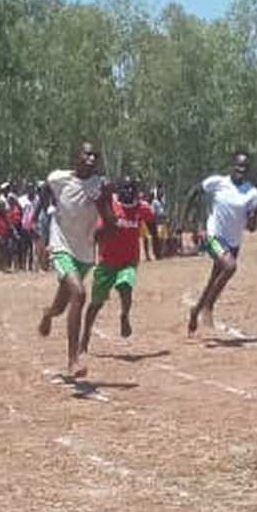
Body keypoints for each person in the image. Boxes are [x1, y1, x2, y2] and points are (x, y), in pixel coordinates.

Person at [35, 140, 113, 380]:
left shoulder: (101, 185)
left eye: (95, 156)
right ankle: (73, 361)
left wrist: (102, 207)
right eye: (87, 154)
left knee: (61, 306)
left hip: (85, 252)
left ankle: (48, 314)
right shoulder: (59, 179)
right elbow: (44, 195)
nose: (91, 159)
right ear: (76, 156)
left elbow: (110, 222)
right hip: (61, 246)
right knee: (79, 294)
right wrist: (41, 233)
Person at [185, 151, 257, 335]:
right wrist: (188, 222)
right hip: (214, 236)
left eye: (245, 167)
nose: (241, 169)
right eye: (238, 165)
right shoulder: (218, 183)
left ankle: (196, 311)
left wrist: (252, 217)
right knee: (230, 267)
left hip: (233, 243)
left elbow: (251, 228)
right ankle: (208, 307)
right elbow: (195, 192)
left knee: (214, 280)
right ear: (232, 166)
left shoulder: (252, 193)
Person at [81, 175, 155, 353]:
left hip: (128, 261)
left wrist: (158, 245)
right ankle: (84, 337)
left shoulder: (142, 208)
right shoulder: (110, 207)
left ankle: (125, 315)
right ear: (118, 190)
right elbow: (96, 235)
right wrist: (109, 225)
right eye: (125, 188)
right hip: (107, 262)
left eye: (132, 189)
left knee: (125, 286)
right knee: (96, 304)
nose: (128, 192)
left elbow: (152, 222)